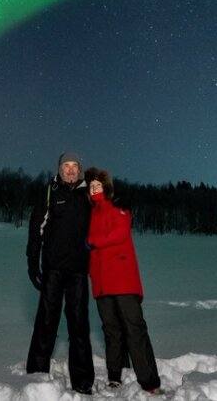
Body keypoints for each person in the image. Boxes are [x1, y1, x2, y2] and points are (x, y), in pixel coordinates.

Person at [84, 167, 162, 394]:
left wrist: (92, 241)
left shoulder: (118, 206)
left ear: (106, 187)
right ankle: (115, 375)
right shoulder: (91, 213)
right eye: (91, 186)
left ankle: (149, 381)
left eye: (98, 185)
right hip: (101, 282)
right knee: (111, 330)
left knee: (134, 328)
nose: (94, 189)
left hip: (122, 279)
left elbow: (119, 234)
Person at [26, 151, 96, 394]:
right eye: (66, 165)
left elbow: (104, 218)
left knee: (79, 326)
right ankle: (35, 377)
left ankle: (84, 382)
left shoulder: (89, 194)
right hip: (53, 269)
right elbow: (37, 228)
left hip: (78, 270)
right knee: (46, 322)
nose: (70, 170)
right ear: (59, 168)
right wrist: (32, 262)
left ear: (80, 169)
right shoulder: (50, 192)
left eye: (74, 165)